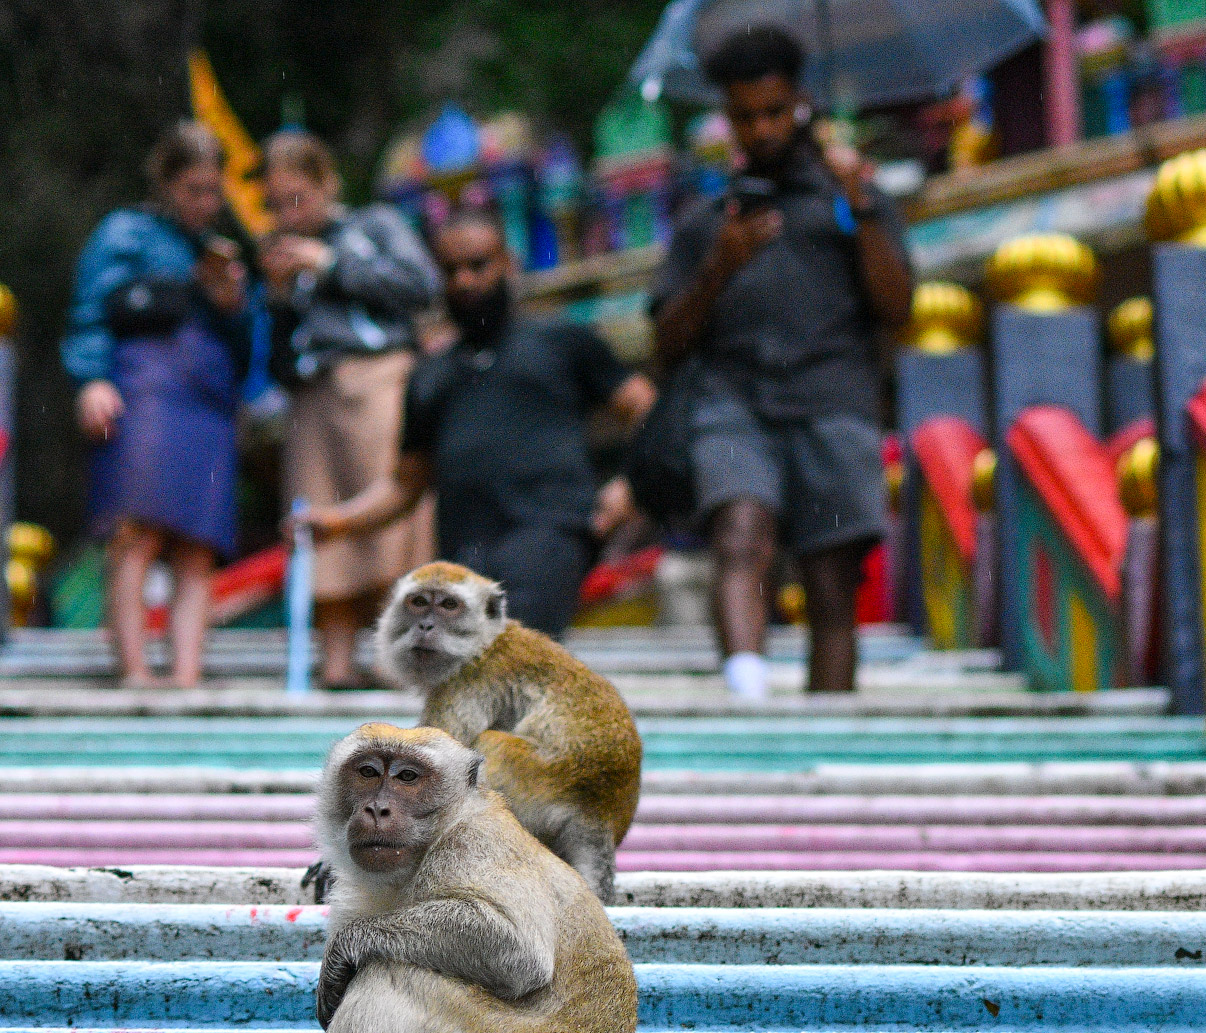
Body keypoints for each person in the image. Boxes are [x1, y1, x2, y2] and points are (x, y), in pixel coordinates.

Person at [647, 24, 914, 698]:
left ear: (799, 103)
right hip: (732, 404)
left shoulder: (851, 200)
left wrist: (863, 209)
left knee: (830, 581)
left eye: (773, 111)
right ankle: (748, 698)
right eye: (744, 116)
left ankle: (826, 741)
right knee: (739, 535)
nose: (761, 130)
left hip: (833, 400)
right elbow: (667, 343)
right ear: (727, 118)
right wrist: (719, 266)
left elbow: (898, 307)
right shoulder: (706, 222)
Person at [294, 209, 655, 637]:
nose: (464, 281)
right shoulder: (430, 373)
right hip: (465, 556)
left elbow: (643, 405)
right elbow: (406, 482)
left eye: (478, 265)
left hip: (550, 535)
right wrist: (339, 521)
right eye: (450, 270)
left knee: (514, 652)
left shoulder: (561, 341)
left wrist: (630, 484)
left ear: (509, 264)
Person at [62, 121, 250, 688]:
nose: (206, 203)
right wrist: (91, 378)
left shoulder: (218, 251)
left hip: (207, 401)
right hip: (147, 391)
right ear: (165, 183)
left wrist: (231, 300)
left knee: (198, 544)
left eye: (214, 190)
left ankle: (187, 674)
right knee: (137, 532)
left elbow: (247, 343)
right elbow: (90, 311)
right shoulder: (125, 233)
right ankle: (136, 671)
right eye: (194, 190)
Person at [262, 131, 440, 688]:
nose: (286, 213)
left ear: (325, 184)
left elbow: (422, 285)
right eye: (274, 203)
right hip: (312, 395)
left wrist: (332, 263)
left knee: (388, 518)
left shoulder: (375, 225)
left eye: (295, 197)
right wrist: (277, 296)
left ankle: (400, 658)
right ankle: (334, 660)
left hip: (378, 379)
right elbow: (277, 357)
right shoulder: (275, 251)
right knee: (317, 521)